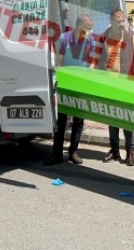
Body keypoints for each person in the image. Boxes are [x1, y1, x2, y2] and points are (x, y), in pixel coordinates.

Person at [96, 9, 134, 166]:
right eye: (118, 21)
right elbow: (96, 60)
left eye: (123, 21)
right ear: (111, 21)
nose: (121, 24)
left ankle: (130, 152)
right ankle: (114, 150)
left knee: (127, 118)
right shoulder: (103, 37)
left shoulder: (129, 36)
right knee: (112, 118)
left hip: (125, 84)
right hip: (109, 84)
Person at [43, 14, 96, 166]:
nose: (90, 32)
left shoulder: (90, 40)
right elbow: (59, 62)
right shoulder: (64, 39)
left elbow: (92, 63)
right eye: (88, 29)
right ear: (79, 28)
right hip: (66, 83)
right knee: (61, 119)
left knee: (79, 120)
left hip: (81, 84)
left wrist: (89, 77)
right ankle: (57, 154)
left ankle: (73, 151)